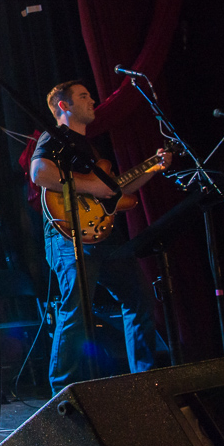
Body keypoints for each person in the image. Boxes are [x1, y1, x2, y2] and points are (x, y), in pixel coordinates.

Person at [30, 80, 170, 394]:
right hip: (68, 238)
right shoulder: (53, 138)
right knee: (76, 312)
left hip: (104, 237)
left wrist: (153, 167)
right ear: (64, 106)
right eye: (83, 96)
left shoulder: (89, 150)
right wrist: (92, 186)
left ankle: (146, 383)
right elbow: (39, 174)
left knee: (140, 301)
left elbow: (117, 192)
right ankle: (62, 394)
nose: (92, 99)